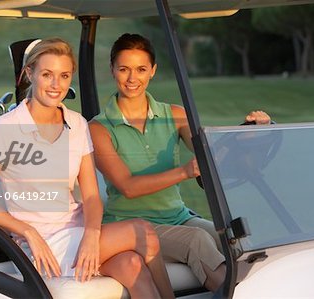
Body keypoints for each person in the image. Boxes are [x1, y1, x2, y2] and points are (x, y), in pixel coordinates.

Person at [0, 38, 174, 299]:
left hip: (80, 234)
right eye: (47, 75)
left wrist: (91, 234)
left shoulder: (76, 124)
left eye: (64, 76)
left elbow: (90, 195)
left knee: (133, 266)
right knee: (144, 232)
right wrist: (28, 232)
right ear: (29, 74)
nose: (56, 85)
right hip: (43, 243)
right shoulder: (5, 128)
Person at [89, 33, 272, 292]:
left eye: (141, 69)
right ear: (112, 70)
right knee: (196, 240)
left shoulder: (174, 115)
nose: (132, 78)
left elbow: (212, 152)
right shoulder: (99, 128)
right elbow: (127, 186)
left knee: (234, 236)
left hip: (178, 217)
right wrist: (184, 171)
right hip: (133, 225)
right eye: (124, 69)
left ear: (152, 70)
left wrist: (249, 133)